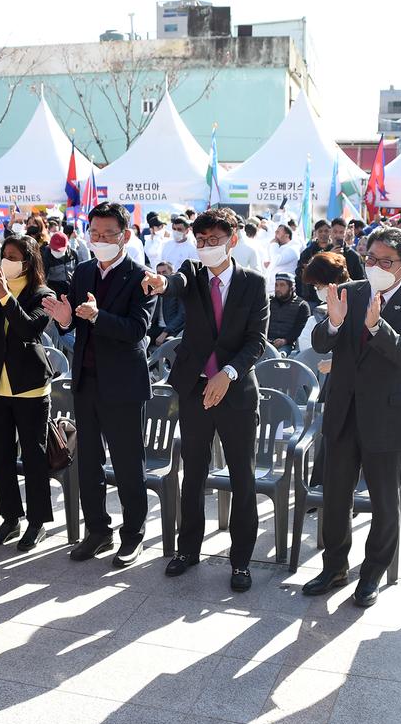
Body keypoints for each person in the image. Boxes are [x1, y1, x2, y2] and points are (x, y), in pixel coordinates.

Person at [302, 226, 401, 606]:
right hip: (344, 410)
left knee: (384, 502)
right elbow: (320, 343)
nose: (375, 266)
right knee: (335, 497)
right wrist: (333, 322)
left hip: (387, 415)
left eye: (386, 262)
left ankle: (372, 573)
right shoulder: (350, 291)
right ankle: (334, 567)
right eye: (371, 259)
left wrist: (377, 327)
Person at [141, 207, 269, 593]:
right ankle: (187, 550)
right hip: (195, 389)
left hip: (235, 391)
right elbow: (175, 283)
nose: (206, 246)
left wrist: (227, 373)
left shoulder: (253, 283)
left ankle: (241, 560)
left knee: (242, 476)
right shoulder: (193, 273)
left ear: (232, 240)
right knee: (193, 471)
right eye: (200, 241)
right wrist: (161, 283)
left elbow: (256, 341)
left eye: (214, 240)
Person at [43, 202, 155, 566]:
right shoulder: (84, 270)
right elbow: (75, 320)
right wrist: (65, 320)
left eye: (108, 234)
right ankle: (97, 530)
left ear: (125, 235)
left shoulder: (141, 276)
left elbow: (137, 330)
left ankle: (133, 534)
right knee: (88, 462)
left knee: (127, 463)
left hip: (123, 384)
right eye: (95, 233)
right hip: (86, 380)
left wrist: (97, 317)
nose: (100, 240)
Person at [0, 235, 56, 549]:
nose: (6, 260)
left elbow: (29, 329)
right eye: (4, 255)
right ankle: (10, 518)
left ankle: (38, 522)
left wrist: (5, 297)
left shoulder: (42, 294)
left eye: (13, 256)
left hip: (30, 387)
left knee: (33, 456)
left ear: (27, 262)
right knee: (1, 455)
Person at [268, 272, 309, 354]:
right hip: (267, 342)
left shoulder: (302, 305)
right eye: (276, 285)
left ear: (291, 287)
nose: (278, 289)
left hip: (288, 345)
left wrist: (285, 340)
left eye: (282, 285)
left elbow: (300, 328)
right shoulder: (268, 302)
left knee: (280, 356)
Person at [147, 261, 185, 347]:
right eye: (158, 273)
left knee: (167, 343)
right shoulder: (155, 288)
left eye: (164, 272)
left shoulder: (178, 290)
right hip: (157, 327)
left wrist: (165, 332)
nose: (161, 275)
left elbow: (182, 315)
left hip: (173, 330)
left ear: (172, 273)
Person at [42, 231, 78, 297]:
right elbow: (43, 279)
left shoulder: (73, 254)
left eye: (59, 250)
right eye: (54, 249)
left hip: (71, 290)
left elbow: (77, 273)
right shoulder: (46, 256)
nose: (56, 251)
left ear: (66, 246)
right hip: (54, 292)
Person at [268, 223, 301, 293]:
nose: (275, 235)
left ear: (287, 236)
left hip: (284, 290)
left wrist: (274, 244)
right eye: (275, 232)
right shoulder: (280, 247)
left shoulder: (292, 249)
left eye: (278, 232)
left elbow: (276, 260)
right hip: (272, 289)